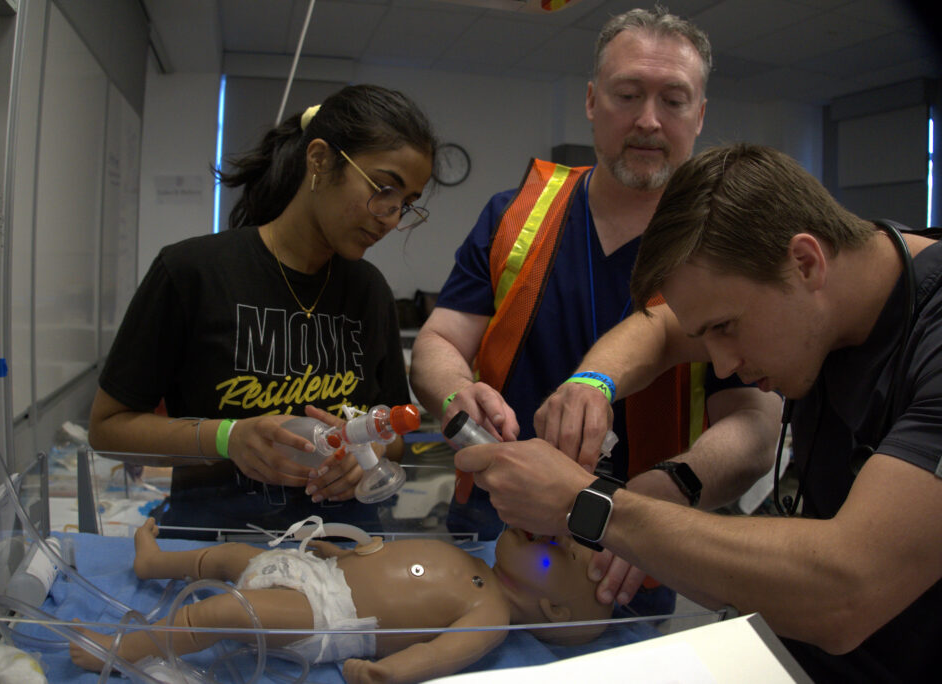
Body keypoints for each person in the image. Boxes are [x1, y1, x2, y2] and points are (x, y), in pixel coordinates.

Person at [455, 143, 942, 682]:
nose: (725, 365)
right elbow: (662, 328)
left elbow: (848, 590)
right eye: (705, 336)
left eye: (726, 327)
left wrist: (587, 505)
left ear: (805, 262)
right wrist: (592, 383)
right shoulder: (843, 281)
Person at [408, 6, 782, 604]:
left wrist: (669, 492)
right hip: (493, 522)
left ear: (701, 115)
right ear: (590, 100)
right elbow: (440, 341)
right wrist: (457, 397)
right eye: (628, 94)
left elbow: (756, 425)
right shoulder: (515, 214)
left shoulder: (727, 244)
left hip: (633, 552)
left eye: (674, 101)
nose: (648, 121)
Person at [89, 84, 437, 535]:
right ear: (319, 160)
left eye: (406, 203)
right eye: (382, 188)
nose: (390, 217)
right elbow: (108, 429)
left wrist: (363, 456)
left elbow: (395, 436)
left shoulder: (368, 291)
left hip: (343, 548)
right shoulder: (192, 272)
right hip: (216, 549)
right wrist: (227, 438)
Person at [70, 518, 612, 683]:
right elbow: (392, 565)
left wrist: (386, 674)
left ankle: (118, 649)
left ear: (555, 610)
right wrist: (346, 555)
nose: (543, 535)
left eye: (553, 552)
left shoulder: (489, 616)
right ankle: (153, 563)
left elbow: (436, 656)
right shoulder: (477, 561)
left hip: (330, 617)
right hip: (322, 570)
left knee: (222, 613)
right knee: (230, 556)